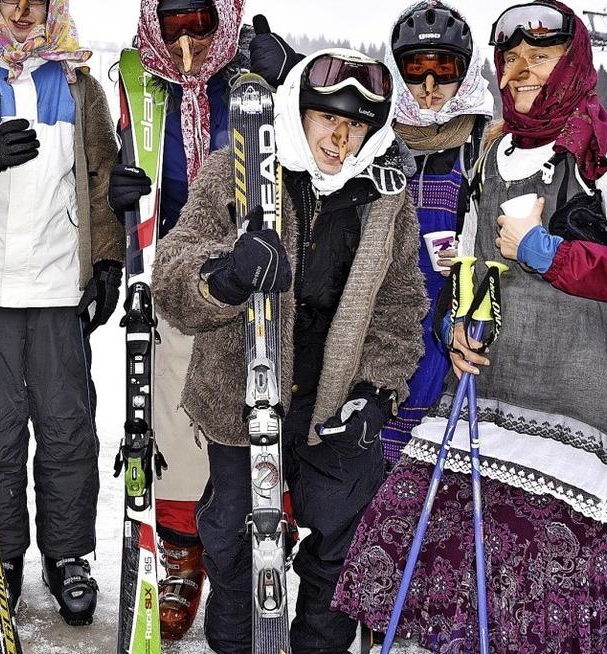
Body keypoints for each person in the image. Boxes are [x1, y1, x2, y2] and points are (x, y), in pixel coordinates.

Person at [333, 2, 607, 652]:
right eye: (511, 58)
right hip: (488, 398)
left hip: (576, 414)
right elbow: (473, 262)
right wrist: (461, 327)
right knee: (404, 533)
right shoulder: (495, 152)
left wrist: (543, 249)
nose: (523, 72)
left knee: (537, 587)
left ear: (571, 62)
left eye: (540, 57)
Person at [152, 48, 428, 653]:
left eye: (356, 124)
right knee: (232, 548)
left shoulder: (386, 196)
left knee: (339, 550)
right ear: (296, 109)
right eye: (327, 118)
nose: (340, 137)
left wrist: (376, 392)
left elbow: (401, 302)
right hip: (241, 399)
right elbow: (171, 271)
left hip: (334, 406)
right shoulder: (237, 170)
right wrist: (223, 275)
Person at [0, 0, 122, 627]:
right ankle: (3, 555)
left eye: (33, 0)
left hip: (55, 290)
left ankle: (67, 556)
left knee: (68, 430)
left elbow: (101, 181)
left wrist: (106, 264)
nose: (20, 10)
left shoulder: (79, 85)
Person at [106, 0, 252, 640]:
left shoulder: (251, 77)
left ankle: (245, 554)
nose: (188, 37)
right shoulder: (142, 83)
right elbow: (123, 158)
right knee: (171, 417)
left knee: (245, 415)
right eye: (174, 23)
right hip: (170, 269)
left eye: (202, 21)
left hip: (248, 271)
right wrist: (124, 200)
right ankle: (180, 550)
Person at [377, 0, 494, 463]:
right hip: (386, 323)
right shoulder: (378, 139)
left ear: (465, 73)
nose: (429, 88)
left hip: (455, 326)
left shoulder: (484, 140)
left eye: (444, 70)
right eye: (414, 70)